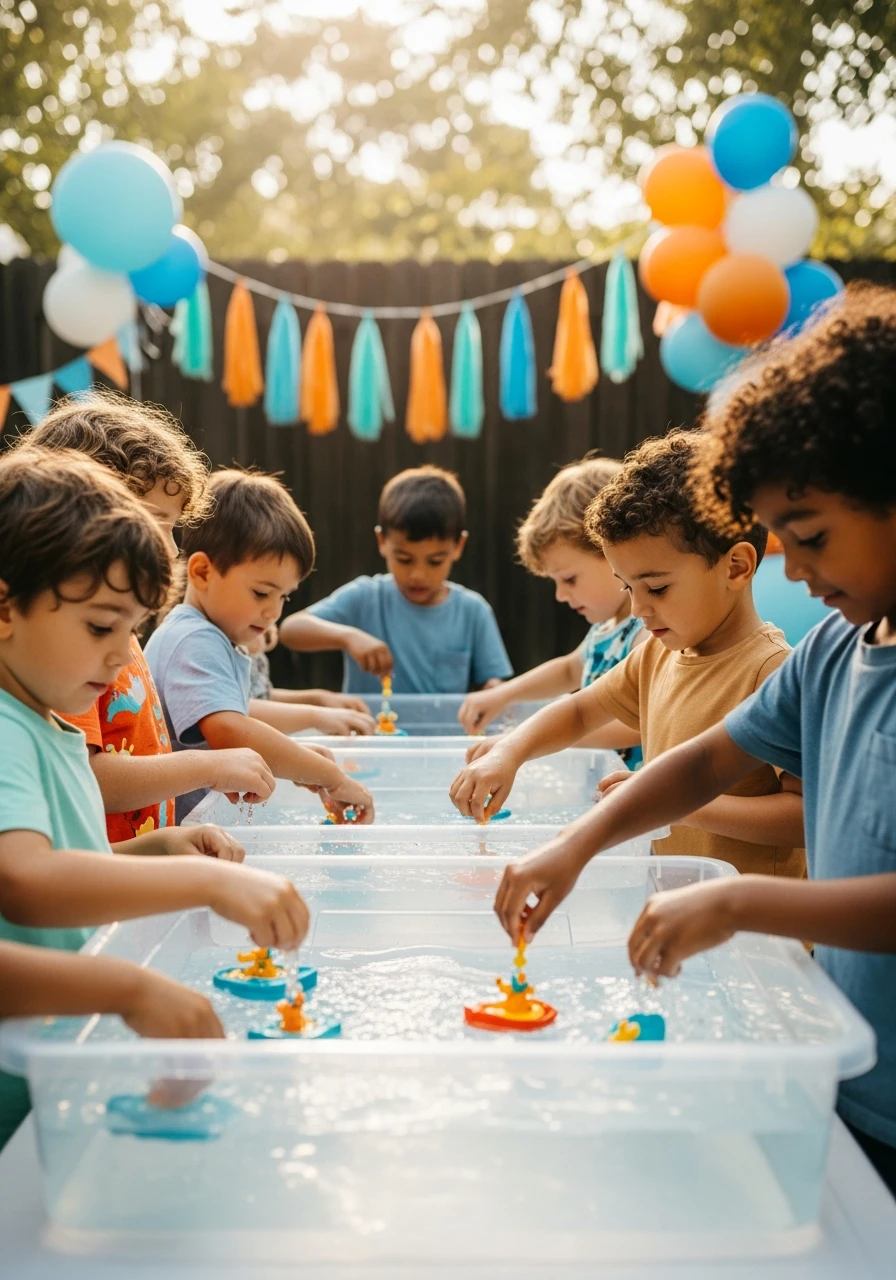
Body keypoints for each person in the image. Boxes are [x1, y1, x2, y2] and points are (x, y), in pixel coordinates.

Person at [491, 285, 896, 1195]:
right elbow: (710, 758)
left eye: (813, 534)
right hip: (844, 1067)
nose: (794, 566)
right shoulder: (837, 650)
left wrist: (739, 904)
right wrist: (577, 844)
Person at [0, 449, 310, 1147]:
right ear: (4, 608)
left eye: (133, 627)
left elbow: (64, 860)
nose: (121, 657)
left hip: (53, 1073)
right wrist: (131, 986)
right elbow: (22, 883)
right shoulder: (4, 727)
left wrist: (156, 850)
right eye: (100, 625)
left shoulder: (43, 721)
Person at [451, 430, 805, 879]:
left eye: (656, 587)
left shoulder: (773, 673)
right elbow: (580, 711)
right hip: (676, 910)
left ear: (735, 566)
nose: (637, 609)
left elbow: (804, 818)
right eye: (626, 587)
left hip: (757, 933)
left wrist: (675, 801)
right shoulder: (656, 653)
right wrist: (511, 751)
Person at [12, 394, 276, 841]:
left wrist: (165, 847)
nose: (173, 548)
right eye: (156, 521)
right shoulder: (60, 653)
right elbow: (87, 776)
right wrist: (207, 766)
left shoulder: (114, 638)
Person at [145, 469, 376, 823]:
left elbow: (238, 711)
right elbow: (230, 729)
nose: (273, 611)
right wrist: (329, 776)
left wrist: (297, 758)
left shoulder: (209, 634)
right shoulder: (195, 639)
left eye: (283, 596)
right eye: (261, 593)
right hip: (180, 831)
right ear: (203, 572)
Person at [457, 454, 644, 762]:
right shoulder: (608, 627)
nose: (560, 595)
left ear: (613, 552)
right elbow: (570, 669)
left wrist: (529, 739)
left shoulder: (645, 631)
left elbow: (639, 723)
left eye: (569, 579)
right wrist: (503, 694)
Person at [279, 465, 513, 695]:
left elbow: (492, 683)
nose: (417, 575)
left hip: (444, 733)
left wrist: (494, 692)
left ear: (458, 546)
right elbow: (290, 630)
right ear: (382, 541)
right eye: (404, 559)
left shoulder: (473, 611)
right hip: (370, 732)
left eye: (435, 561)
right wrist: (348, 637)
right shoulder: (365, 597)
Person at [244, 622, 376, 735]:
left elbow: (260, 696)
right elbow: (238, 709)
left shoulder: (255, 653)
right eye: (260, 594)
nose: (272, 614)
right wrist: (316, 717)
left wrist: (318, 699)